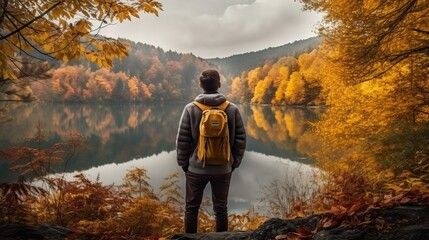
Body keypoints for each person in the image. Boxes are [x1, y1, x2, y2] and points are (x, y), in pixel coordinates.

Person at [176, 69, 247, 233]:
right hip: (223, 168)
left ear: (201, 85)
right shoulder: (232, 109)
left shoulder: (190, 108)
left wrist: (184, 164)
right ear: (219, 85)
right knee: (221, 209)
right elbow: (241, 139)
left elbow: (182, 140)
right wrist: (234, 162)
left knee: (191, 208)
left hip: (195, 168)